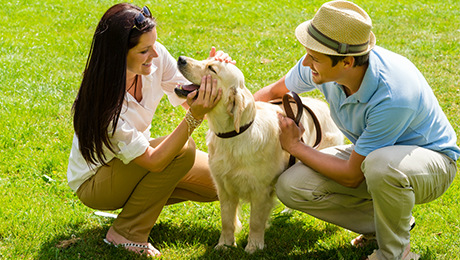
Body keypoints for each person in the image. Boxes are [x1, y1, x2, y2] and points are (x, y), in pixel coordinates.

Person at [254, 1, 459, 259]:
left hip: (432, 163)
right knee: (291, 185)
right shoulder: (321, 64)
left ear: (347, 63)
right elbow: (273, 92)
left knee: (381, 165)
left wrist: (295, 147)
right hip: (372, 156)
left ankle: (394, 254)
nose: (306, 62)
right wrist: (238, 122)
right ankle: (388, 224)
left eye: (314, 58)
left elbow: (351, 176)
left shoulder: (393, 93)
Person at [67, 3, 234, 257]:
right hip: (96, 182)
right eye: (144, 50)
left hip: (135, 162)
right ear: (118, 54)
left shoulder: (153, 59)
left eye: (154, 45)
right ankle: (126, 232)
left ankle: (141, 205)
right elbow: (154, 162)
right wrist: (193, 119)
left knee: (218, 183)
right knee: (182, 150)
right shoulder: (104, 105)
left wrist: (215, 72)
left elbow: (189, 94)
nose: (155, 55)